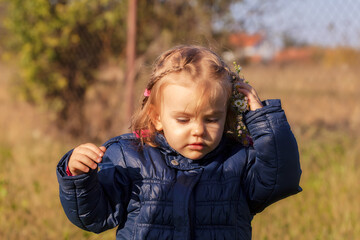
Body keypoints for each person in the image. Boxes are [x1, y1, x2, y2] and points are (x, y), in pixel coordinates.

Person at [56, 45, 302, 240]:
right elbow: (95, 217)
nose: (198, 130)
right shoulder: (130, 157)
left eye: (211, 119)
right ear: (157, 117)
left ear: (226, 115)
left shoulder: (237, 160)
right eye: (183, 119)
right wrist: (79, 177)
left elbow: (281, 180)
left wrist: (262, 120)